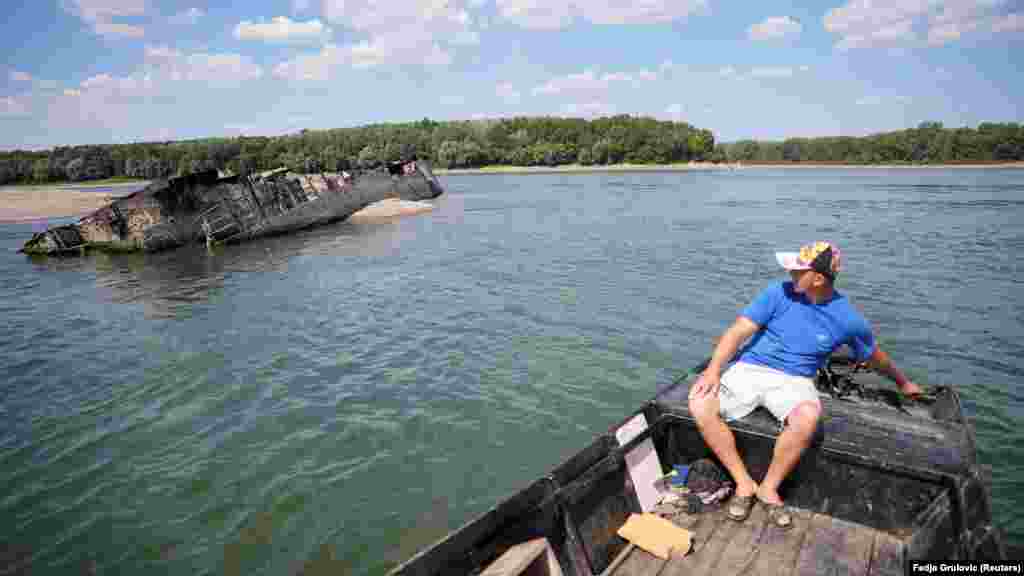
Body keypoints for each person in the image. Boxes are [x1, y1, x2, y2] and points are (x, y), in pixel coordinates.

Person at [687, 241, 922, 528]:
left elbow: (876, 358)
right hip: (749, 368)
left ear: (819, 278)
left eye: (799, 271)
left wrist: (903, 382)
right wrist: (713, 370)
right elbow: (738, 332)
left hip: (795, 379)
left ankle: (768, 488)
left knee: (808, 418)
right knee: (700, 403)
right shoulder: (777, 293)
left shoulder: (847, 318)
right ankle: (743, 483)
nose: (791, 275)